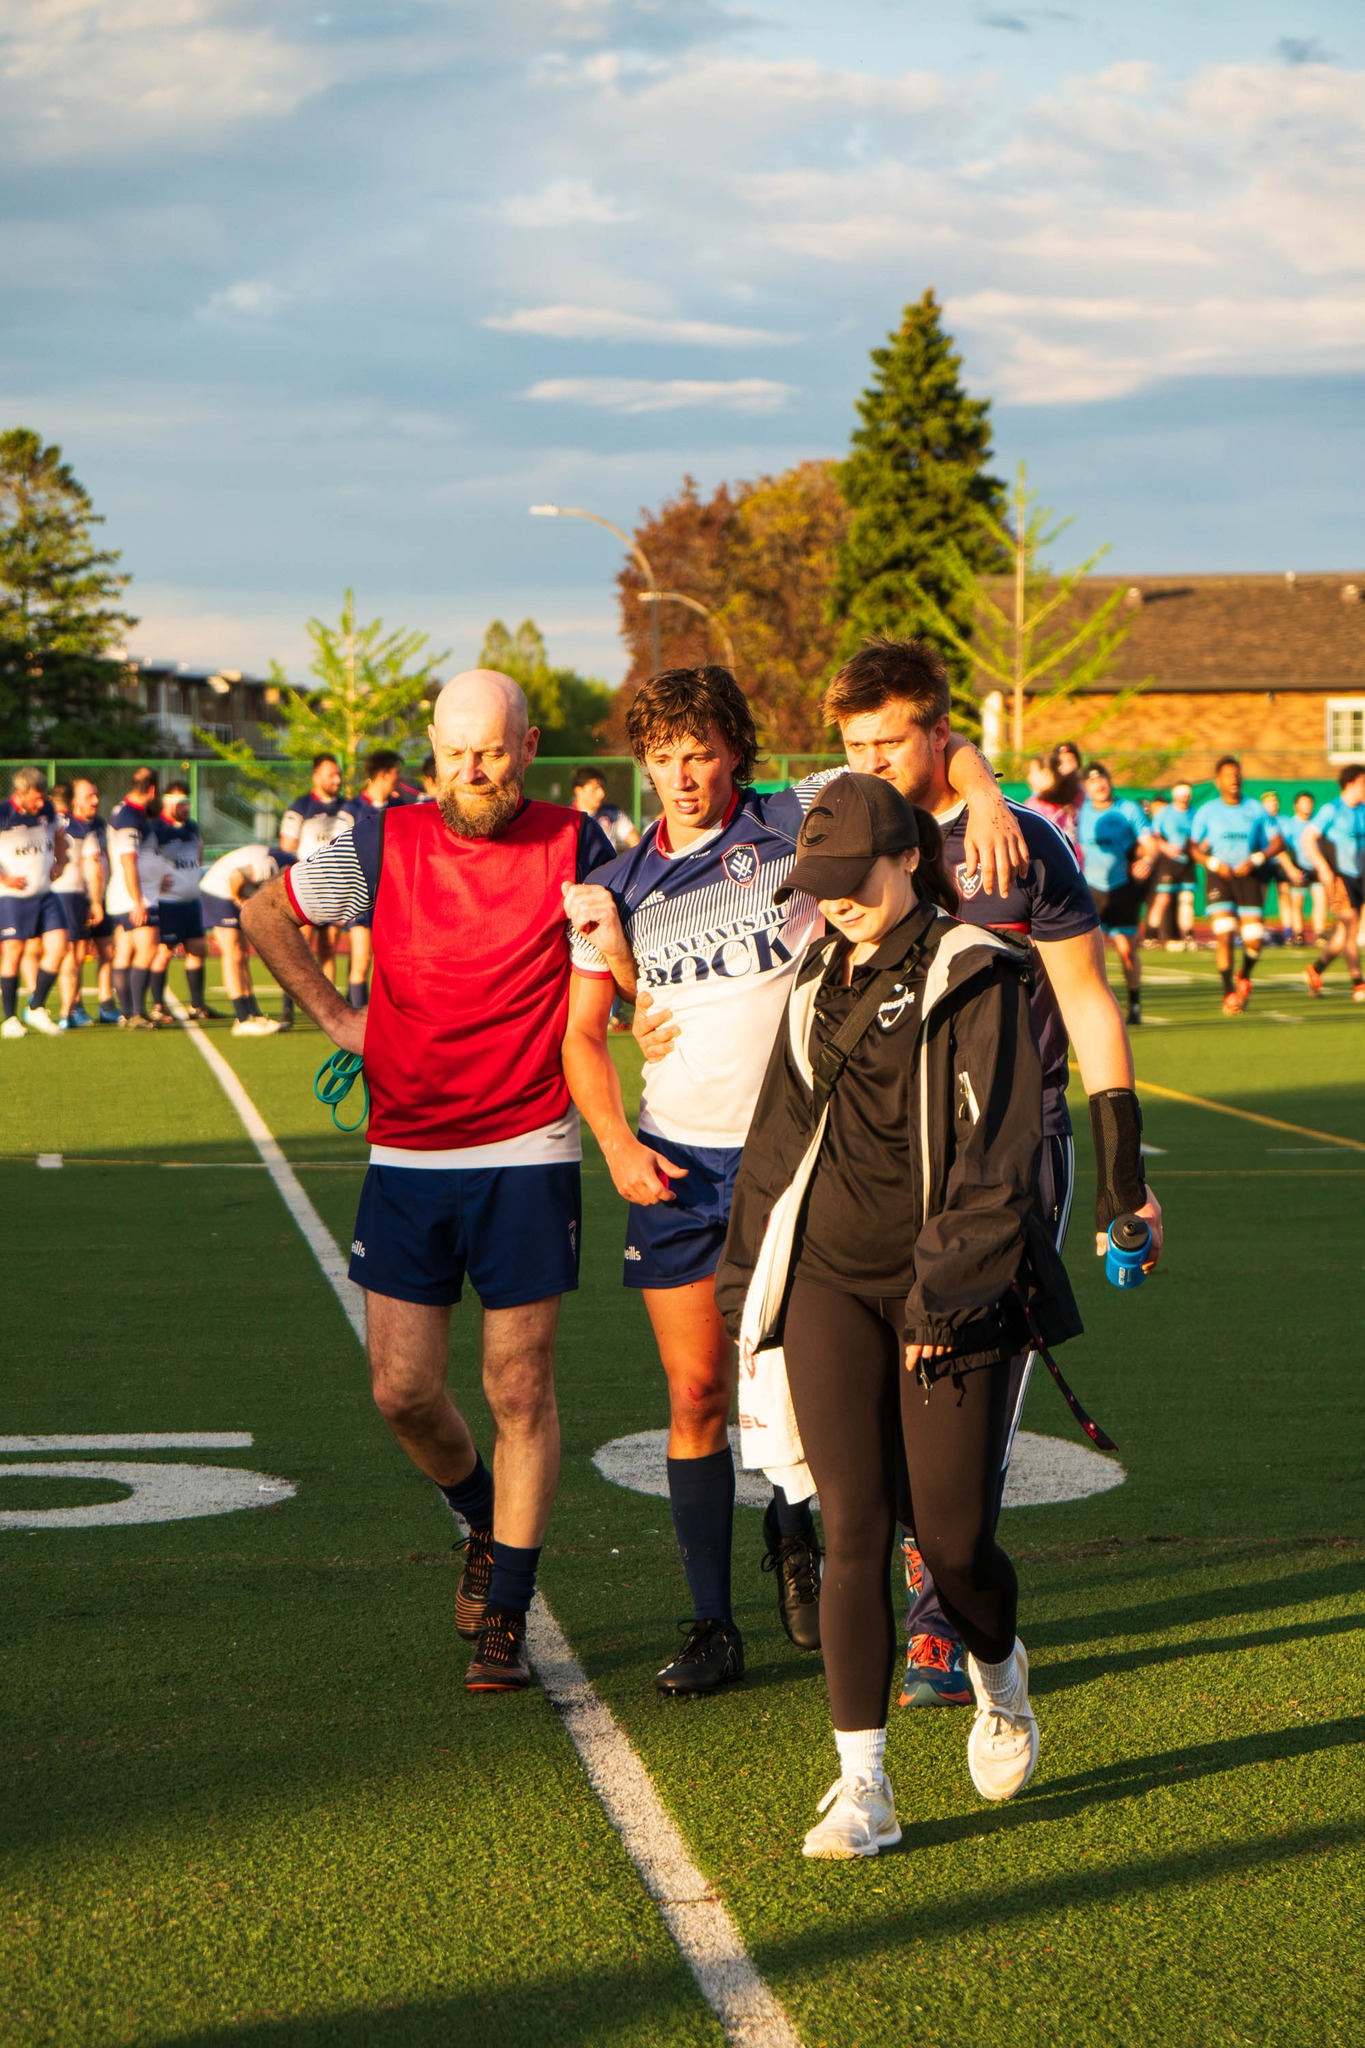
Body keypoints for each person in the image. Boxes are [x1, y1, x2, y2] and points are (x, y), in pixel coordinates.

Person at [634, 639, 1163, 1709]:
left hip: (1012, 1151)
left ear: (938, 733)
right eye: (853, 744)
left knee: (961, 1392)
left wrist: (1122, 1176)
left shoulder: (1013, 854)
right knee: (860, 1416)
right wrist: (654, 1014)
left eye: (891, 740)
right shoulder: (835, 824)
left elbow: (1093, 1007)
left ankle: (940, 1619)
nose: (868, 761)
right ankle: (907, 1612)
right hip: (867, 1155)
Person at [561, 659, 1026, 1695]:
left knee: (829, 1396)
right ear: (642, 764)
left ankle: (815, 1528)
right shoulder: (617, 882)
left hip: (809, 1159)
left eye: (702, 754)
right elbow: (585, 1034)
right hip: (677, 1158)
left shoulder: (796, 817)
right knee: (695, 1390)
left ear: (737, 752)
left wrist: (987, 790)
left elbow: (917, 756)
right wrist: (618, 1144)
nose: (684, 776)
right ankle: (711, 1622)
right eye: (663, 759)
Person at [714, 775, 1083, 1857]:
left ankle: (999, 1671)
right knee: (853, 1529)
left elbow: (1003, 1159)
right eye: (817, 886)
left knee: (957, 1540)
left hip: (949, 1290)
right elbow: (773, 1150)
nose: (833, 902)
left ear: (907, 858)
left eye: (851, 881)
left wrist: (945, 1289)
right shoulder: (813, 979)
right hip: (831, 1277)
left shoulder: (977, 972)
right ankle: (861, 1785)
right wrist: (749, 1292)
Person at [243, 671, 613, 1691]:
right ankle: (478, 1518)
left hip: (529, 1143)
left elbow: (638, 942)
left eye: (491, 750)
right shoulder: (380, 837)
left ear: (527, 746)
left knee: (518, 1384)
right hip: (407, 1148)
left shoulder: (578, 842)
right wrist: (334, 1016)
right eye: (455, 752)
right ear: (432, 751)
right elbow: (266, 911)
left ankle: (507, 1614)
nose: (472, 770)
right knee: (402, 1389)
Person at [1190, 758, 1283, 1014]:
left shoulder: (1256, 809)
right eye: (1228, 775)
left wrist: (1257, 858)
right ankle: (1228, 992)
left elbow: (1277, 842)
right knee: (1225, 933)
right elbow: (1193, 847)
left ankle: (1245, 974)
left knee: (1254, 940)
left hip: (1249, 877)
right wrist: (1211, 862)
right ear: (1217, 781)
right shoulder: (1207, 811)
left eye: (1238, 775)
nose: (1234, 780)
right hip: (1220, 877)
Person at [1075, 764, 1152, 1027]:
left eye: (1102, 778)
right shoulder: (1079, 811)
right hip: (1090, 888)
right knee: (1092, 952)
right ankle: (1095, 1007)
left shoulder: (1128, 809)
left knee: (1126, 950)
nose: (1099, 784)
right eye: (1092, 781)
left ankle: (1135, 1003)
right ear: (1085, 786)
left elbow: (1148, 844)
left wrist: (1147, 859)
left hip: (1122, 887)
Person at [340, 750, 414, 1009]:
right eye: (396, 771)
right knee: (361, 960)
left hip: (391, 896)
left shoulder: (400, 807)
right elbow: (341, 852)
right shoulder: (352, 809)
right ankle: (358, 1025)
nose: (400, 777)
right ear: (383, 774)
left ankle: (389, 1018)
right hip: (360, 893)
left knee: (392, 961)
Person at [0, 766, 69, 1039]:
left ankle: (36, 1007)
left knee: (60, 945)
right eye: (36, 798)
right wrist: (4, 878)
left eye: (43, 797)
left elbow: (60, 837)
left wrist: (61, 862)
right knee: (13, 952)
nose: (41, 803)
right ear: (21, 793)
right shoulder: (4, 813)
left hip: (45, 893)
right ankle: (9, 1019)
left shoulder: (47, 812)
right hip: (13, 897)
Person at [278, 754, 350, 1016]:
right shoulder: (301, 807)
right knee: (301, 949)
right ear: (316, 776)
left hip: (337, 888)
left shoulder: (347, 808)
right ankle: (289, 1007)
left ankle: (328, 1010)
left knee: (329, 949)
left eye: (338, 773)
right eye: (331, 774)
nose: (337, 779)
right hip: (307, 887)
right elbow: (286, 847)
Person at [105, 767, 167, 1029]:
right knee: (146, 950)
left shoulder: (125, 811)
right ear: (152, 790)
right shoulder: (130, 816)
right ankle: (136, 1013)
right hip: (135, 896)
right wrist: (138, 901)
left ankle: (129, 1013)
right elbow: (128, 859)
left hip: (126, 894)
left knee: (126, 952)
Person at [149, 782, 215, 1022]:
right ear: (167, 803)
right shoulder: (157, 828)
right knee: (163, 952)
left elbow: (198, 851)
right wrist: (157, 878)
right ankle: (158, 1006)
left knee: (198, 948)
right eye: (180, 802)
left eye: (187, 801)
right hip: (168, 902)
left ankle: (197, 1005)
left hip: (191, 901)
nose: (185, 807)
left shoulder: (192, 827)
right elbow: (145, 858)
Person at [200, 844, 282, 1035]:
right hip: (219, 892)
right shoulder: (271, 866)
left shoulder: (280, 864)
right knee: (233, 954)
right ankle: (242, 1017)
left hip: (231, 890)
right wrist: (239, 900)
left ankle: (253, 1013)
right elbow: (237, 875)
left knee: (242, 954)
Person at [1301, 764, 1365, 1001]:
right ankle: (1358, 982)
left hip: (1360, 876)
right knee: (1351, 925)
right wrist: (1322, 868)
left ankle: (1315, 970)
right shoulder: (1332, 810)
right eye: (1363, 782)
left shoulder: (1362, 810)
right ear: (1350, 784)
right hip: (1338, 876)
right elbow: (1308, 838)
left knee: (1345, 932)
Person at [51, 777, 108, 1029]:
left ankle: (68, 1006)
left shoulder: (45, 821)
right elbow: (93, 868)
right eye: (88, 796)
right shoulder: (80, 827)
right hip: (71, 894)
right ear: (73, 801)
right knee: (73, 956)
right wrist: (96, 901)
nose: (94, 801)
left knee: (62, 954)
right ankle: (68, 1010)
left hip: (49, 894)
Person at [1145, 782, 1197, 950]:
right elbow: (1155, 835)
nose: (1184, 795)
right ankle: (1151, 935)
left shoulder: (1194, 814)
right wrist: (1167, 848)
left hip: (1187, 861)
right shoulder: (1165, 813)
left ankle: (1187, 936)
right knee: (1163, 898)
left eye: (1187, 792)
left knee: (1187, 898)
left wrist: (1198, 848)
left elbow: (1204, 835)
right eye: (1181, 792)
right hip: (1168, 862)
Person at [1277, 790, 1321, 947]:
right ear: (1296, 805)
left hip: (1317, 867)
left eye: (1310, 803)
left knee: (1320, 900)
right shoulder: (1290, 825)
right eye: (1304, 803)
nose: (1307, 806)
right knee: (1298, 903)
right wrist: (1290, 868)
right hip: (1299, 868)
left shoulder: (1317, 822)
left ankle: (1319, 934)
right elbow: (1280, 848)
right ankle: (1299, 934)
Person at [572, 765, 640, 852]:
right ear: (579, 791)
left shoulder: (613, 813)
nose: (601, 794)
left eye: (602, 788)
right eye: (595, 789)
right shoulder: (568, 820)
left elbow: (635, 842)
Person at [1023, 749, 1082, 848]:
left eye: (1032, 772)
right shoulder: (1077, 797)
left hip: (1052, 861)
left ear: (1045, 773)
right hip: (1074, 860)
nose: (1029, 778)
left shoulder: (1035, 806)